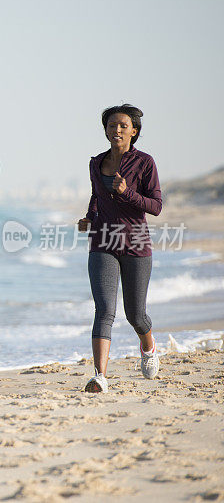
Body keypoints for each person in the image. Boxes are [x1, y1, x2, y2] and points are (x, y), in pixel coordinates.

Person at [77, 104, 162, 393]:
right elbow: (96, 196)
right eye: (112, 125)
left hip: (136, 241)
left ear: (134, 131)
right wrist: (89, 216)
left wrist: (128, 193)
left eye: (123, 125)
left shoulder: (145, 163)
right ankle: (100, 376)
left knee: (135, 314)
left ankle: (148, 346)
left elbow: (156, 206)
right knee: (104, 310)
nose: (117, 130)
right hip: (102, 240)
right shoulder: (96, 162)